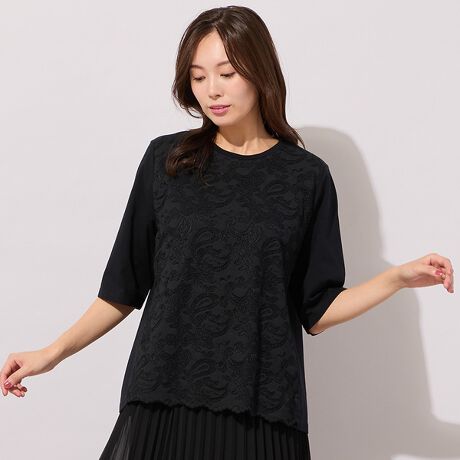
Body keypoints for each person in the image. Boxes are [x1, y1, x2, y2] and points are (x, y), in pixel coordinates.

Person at [0, 6, 454, 460]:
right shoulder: (167, 161)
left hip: (262, 409)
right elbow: (123, 287)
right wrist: (51, 353)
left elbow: (316, 309)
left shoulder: (306, 177)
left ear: (260, 72)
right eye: (198, 77)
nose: (211, 90)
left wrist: (396, 278)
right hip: (163, 398)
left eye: (227, 73)